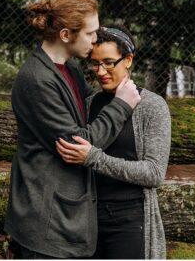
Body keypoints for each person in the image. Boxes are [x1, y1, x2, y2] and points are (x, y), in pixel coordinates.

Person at [5, 0, 141, 259]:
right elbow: (78, 141)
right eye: (91, 33)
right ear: (66, 35)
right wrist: (123, 104)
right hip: (46, 221)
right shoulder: (37, 79)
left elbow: (93, 112)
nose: (96, 39)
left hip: (67, 215)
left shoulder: (70, 69)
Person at [56, 27, 171, 259]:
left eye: (109, 63)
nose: (101, 72)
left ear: (128, 60)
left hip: (131, 219)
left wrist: (94, 158)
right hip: (88, 219)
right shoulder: (88, 104)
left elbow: (154, 173)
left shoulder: (152, 106)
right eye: (95, 64)